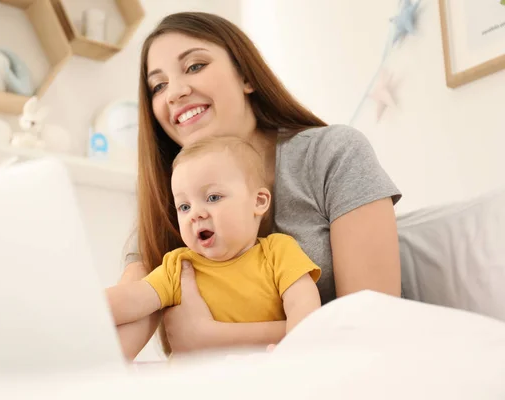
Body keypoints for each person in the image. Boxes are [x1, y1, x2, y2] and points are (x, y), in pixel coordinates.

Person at [115, 11, 402, 360]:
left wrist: (209, 336)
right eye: (157, 86)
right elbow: (118, 324)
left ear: (246, 76)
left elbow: (373, 323)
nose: (174, 92)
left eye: (194, 66)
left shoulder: (332, 154)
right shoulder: (167, 198)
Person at [106, 136, 322, 353]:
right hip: (198, 383)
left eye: (212, 198)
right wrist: (83, 307)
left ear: (258, 201)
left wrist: (296, 352)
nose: (195, 214)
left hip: (260, 377)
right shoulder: (179, 267)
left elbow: (302, 303)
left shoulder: (278, 251)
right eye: (184, 206)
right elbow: (133, 299)